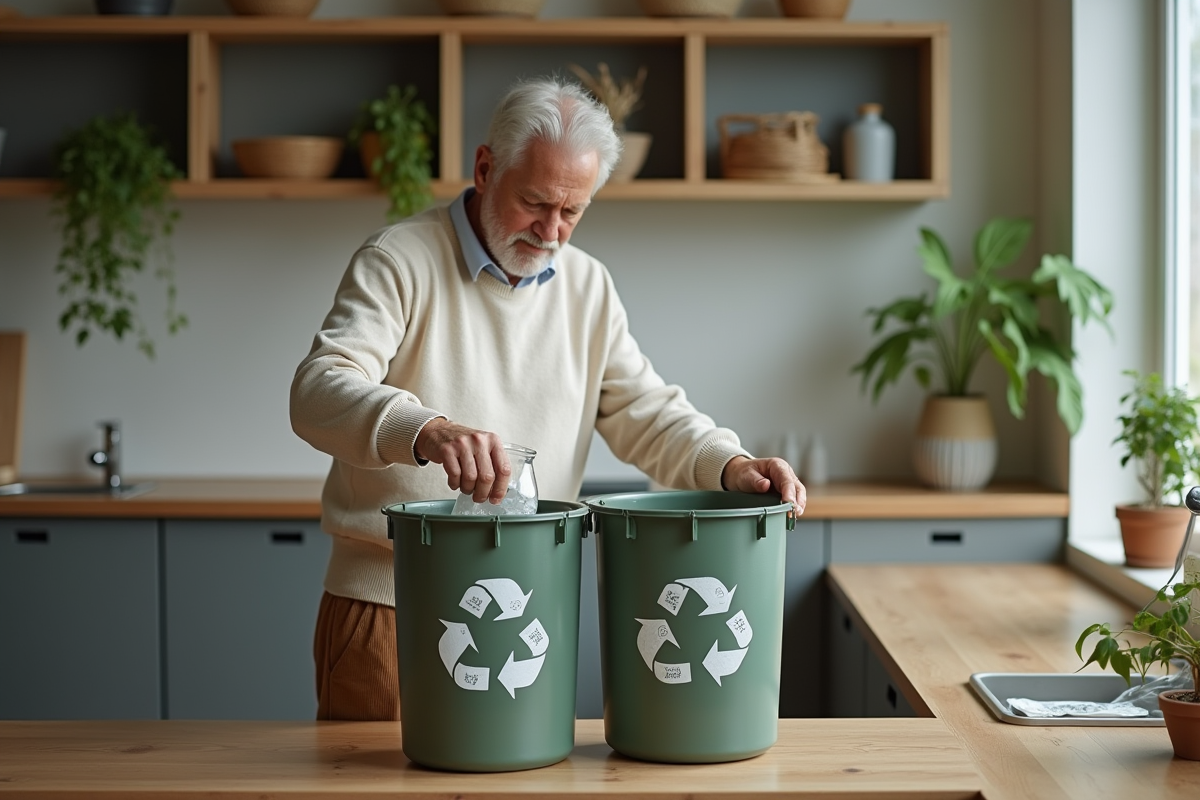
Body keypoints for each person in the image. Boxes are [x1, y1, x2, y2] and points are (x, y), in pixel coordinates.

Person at [289, 76, 806, 721]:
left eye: (573, 212)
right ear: (485, 168)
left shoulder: (588, 287)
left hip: (531, 609)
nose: (551, 230)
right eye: (534, 203)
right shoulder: (400, 260)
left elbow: (647, 411)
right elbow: (317, 388)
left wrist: (729, 465)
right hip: (392, 608)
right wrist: (424, 429)